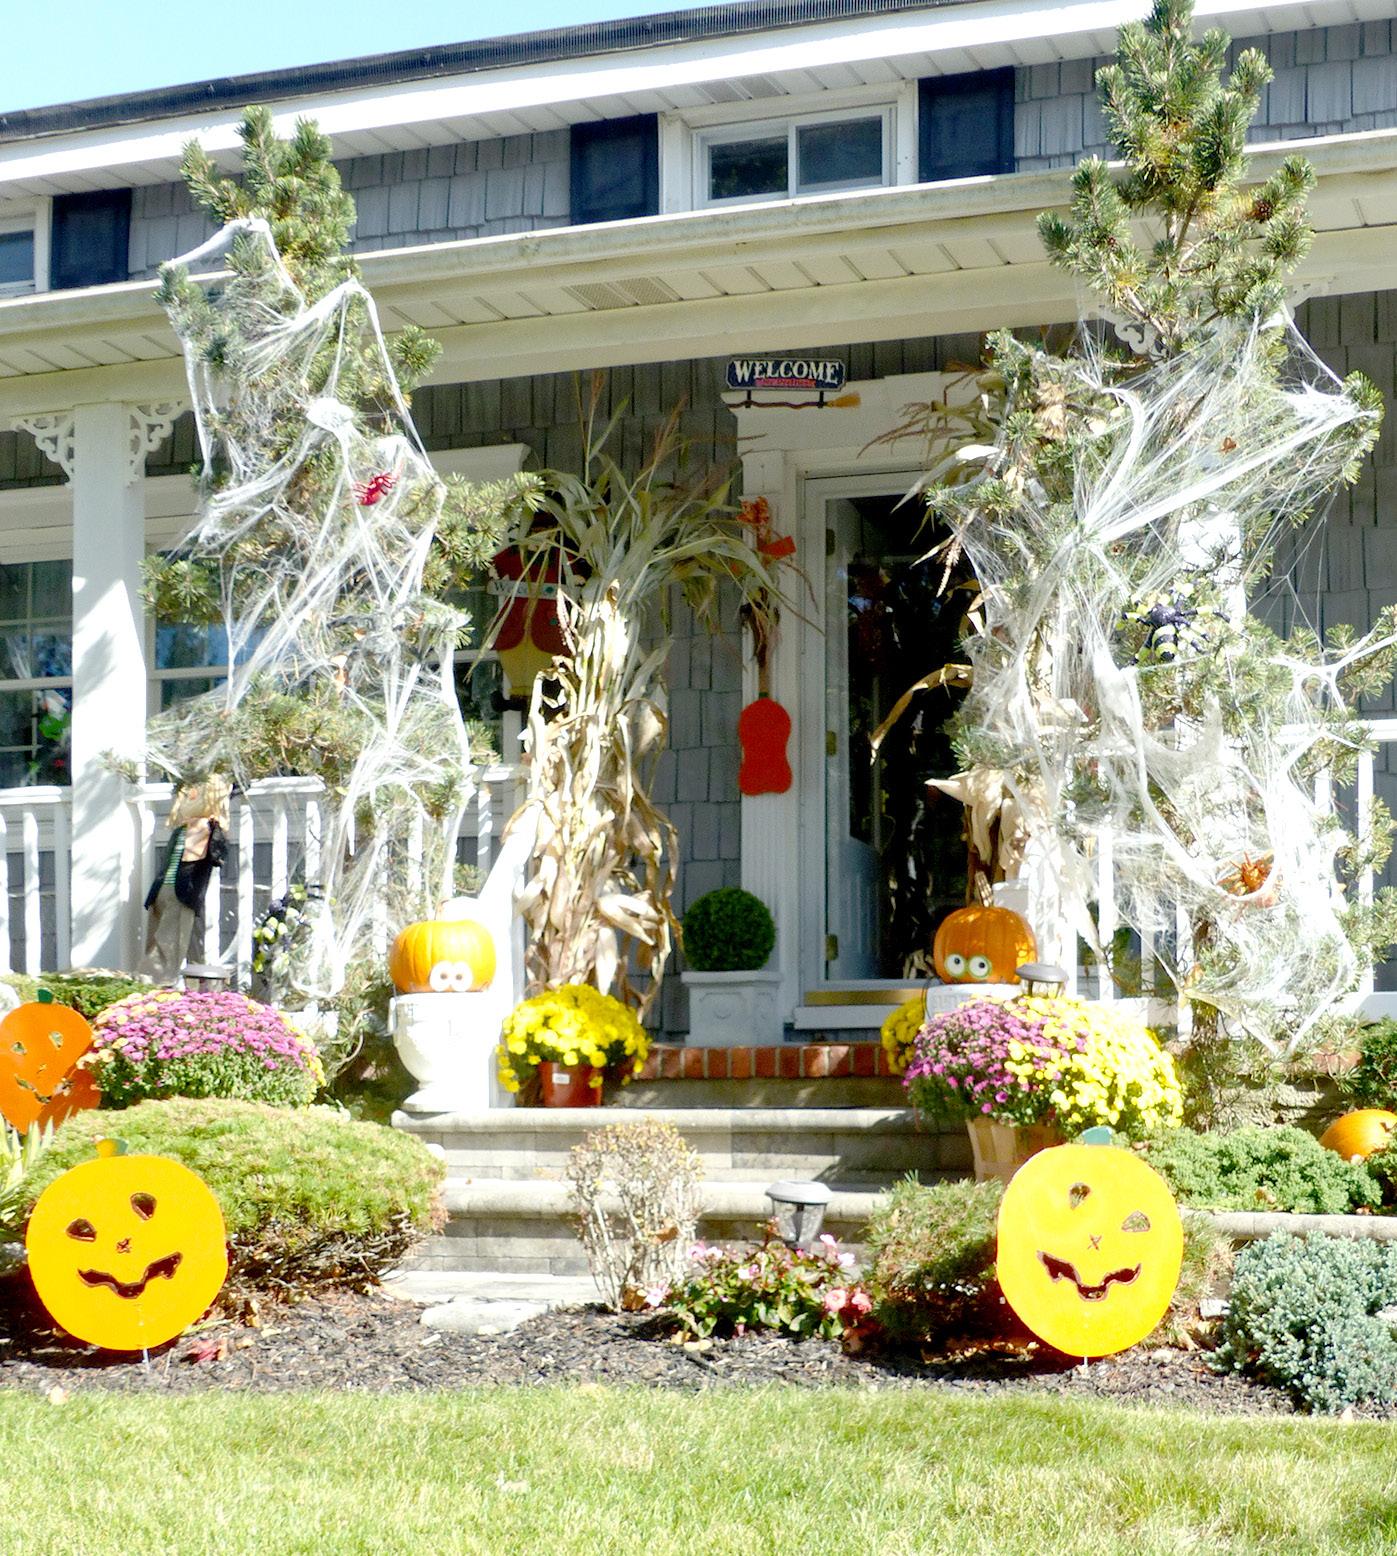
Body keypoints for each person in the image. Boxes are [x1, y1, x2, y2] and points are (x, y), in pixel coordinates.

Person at [139, 775, 231, 983]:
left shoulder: (193, 828)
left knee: (182, 941)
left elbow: (214, 855)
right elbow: (216, 855)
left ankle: (188, 986)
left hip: (172, 890)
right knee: (166, 941)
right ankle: (154, 984)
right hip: (176, 891)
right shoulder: (195, 828)